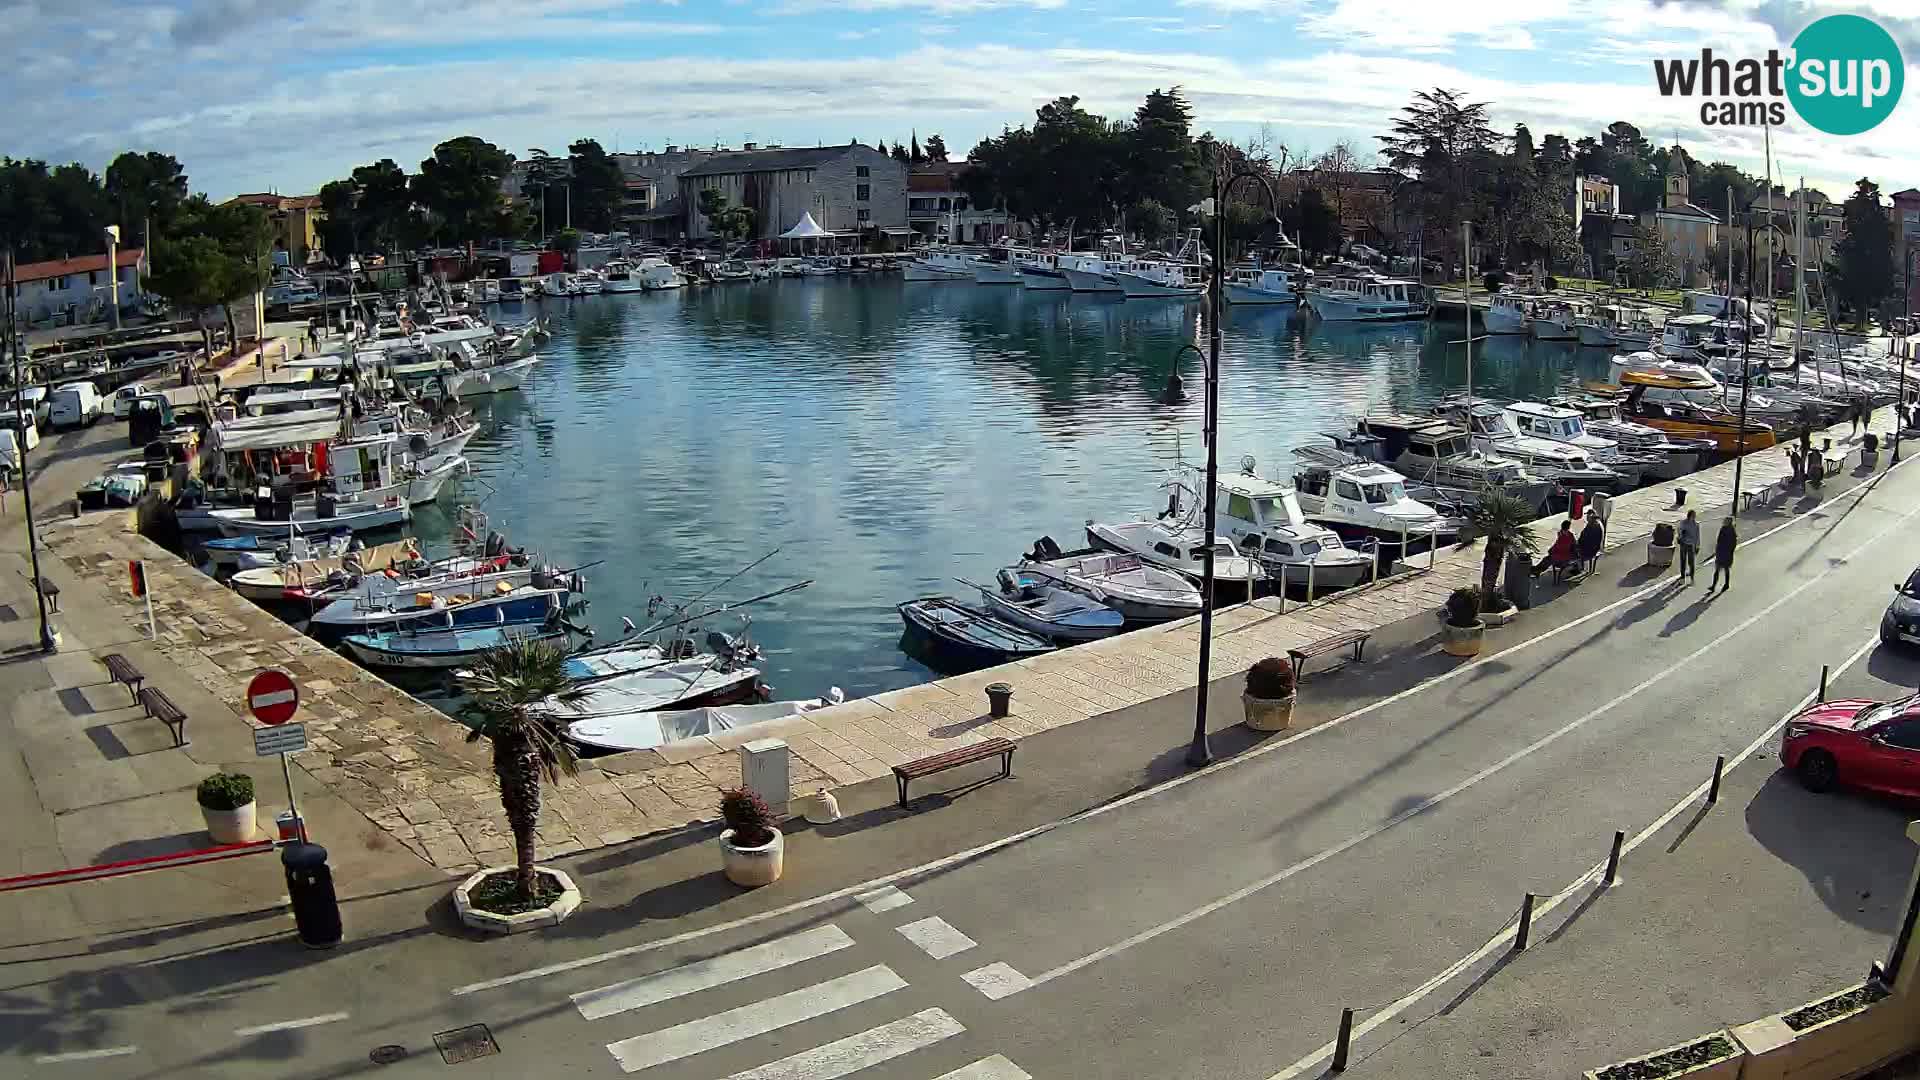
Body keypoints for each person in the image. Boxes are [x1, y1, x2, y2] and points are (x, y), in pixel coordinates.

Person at [1710, 517, 1737, 592]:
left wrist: (1730, 551)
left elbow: (1733, 543)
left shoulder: (1731, 531)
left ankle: (1726, 584)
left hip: (1726, 553)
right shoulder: (1723, 529)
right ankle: (1714, 585)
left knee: (1725, 569)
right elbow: (1719, 540)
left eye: (1726, 521)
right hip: (1721, 552)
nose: (1724, 522)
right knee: (1718, 569)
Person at [1578, 511, 1605, 575]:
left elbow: (1584, 536)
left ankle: (1580, 567)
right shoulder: (1597, 523)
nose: (1587, 518)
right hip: (1595, 546)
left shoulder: (1593, 525)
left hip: (1592, 548)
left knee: (1575, 549)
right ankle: (1583, 567)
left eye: (1588, 516)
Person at [1676, 510, 1700, 583]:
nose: (1695, 517)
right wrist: (1680, 536)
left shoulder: (1696, 524)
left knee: (1691, 562)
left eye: (1694, 515)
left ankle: (1692, 579)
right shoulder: (1683, 523)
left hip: (1691, 545)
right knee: (1683, 561)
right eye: (1693, 515)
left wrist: (1697, 546)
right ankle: (1683, 578)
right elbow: (1679, 530)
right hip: (1684, 544)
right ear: (1690, 516)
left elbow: (1697, 536)